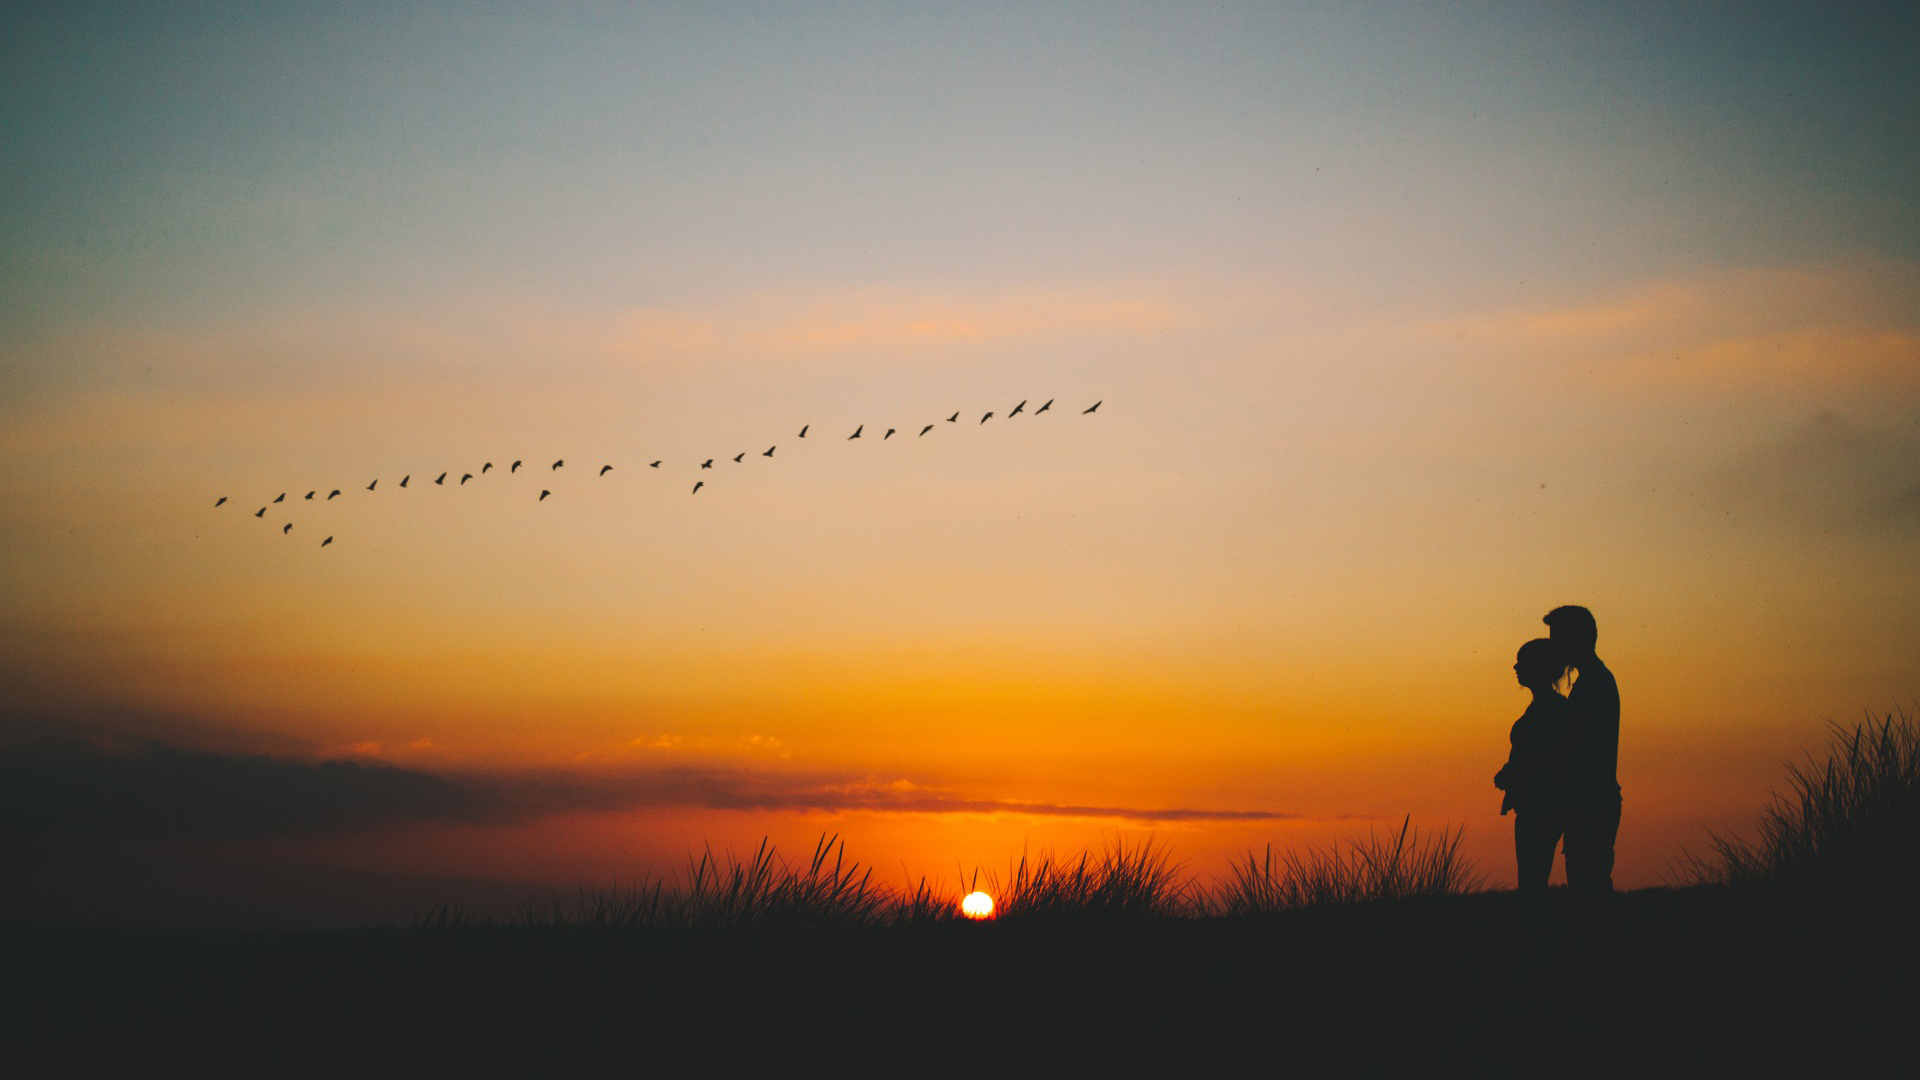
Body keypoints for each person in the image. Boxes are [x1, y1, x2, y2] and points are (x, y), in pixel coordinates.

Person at [1545, 605, 1621, 894]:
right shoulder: (1591, 681)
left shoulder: (1595, 684)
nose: (1553, 646)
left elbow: (1574, 745)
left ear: (1576, 638)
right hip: (1590, 802)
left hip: (1592, 804)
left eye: (1557, 638)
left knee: (1588, 889)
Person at [1494, 638, 1573, 896]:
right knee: (1531, 882)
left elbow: (1550, 761)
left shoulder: (1553, 710)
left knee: (1532, 884)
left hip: (1541, 809)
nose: (1516, 668)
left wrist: (1514, 774)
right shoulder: (1543, 708)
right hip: (1532, 808)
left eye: (1523, 662)